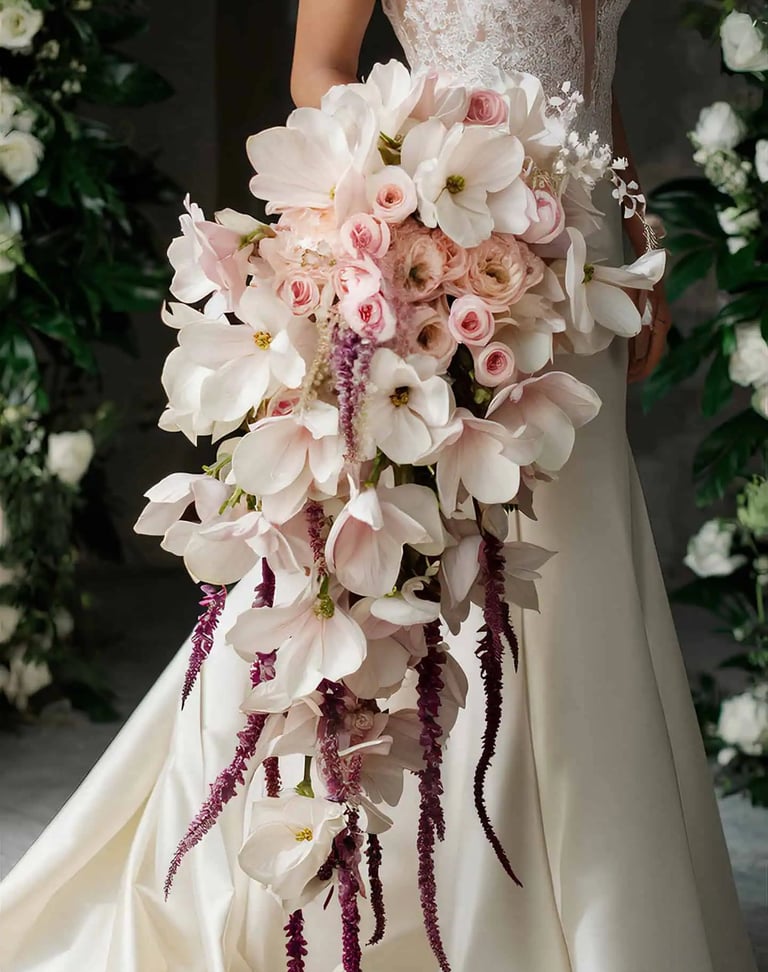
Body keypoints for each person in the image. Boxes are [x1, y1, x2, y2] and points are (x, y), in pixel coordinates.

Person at [0, 3, 759, 970]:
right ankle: (435, 894)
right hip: (459, 251)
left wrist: (635, 226)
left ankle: (607, 897)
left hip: (585, 263)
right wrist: (422, 214)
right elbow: (317, 67)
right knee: (436, 563)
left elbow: (587, 80)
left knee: (583, 562)